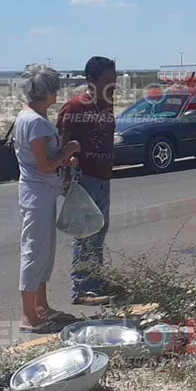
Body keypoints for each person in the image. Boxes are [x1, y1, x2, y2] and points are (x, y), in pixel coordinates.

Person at [13, 63, 80, 333]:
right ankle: (29, 315)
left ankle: (41, 307)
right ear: (47, 92)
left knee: (43, 253)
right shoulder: (36, 123)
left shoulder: (28, 117)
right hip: (37, 193)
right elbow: (44, 164)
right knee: (34, 252)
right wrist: (67, 151)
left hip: (39, 192)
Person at [57, 56, 118, 307]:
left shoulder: (106, 104)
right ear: (91, 80)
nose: (112, 85)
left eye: (114, 80)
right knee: (86, 234)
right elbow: (61, 144)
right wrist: (67, 172)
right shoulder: (75, 108)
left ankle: (95, 281)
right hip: (85, 179)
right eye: (107, 80)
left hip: (103, 177)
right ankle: (82, 289)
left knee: (99, 231)